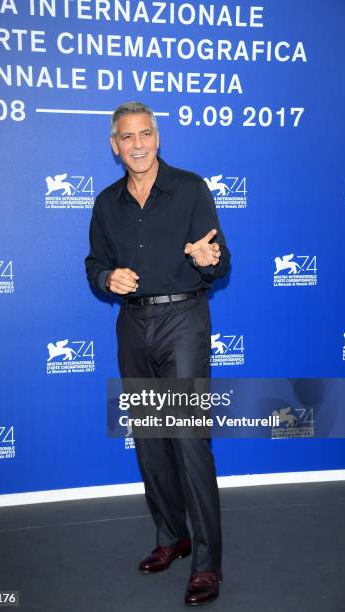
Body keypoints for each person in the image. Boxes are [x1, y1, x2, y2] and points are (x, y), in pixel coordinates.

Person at [85, 101, 230, 606]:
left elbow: (220, 256)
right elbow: (95, 262)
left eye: (145, 133)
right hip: (133, 326)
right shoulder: (106, 204)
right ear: (114, 145)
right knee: (150, 440)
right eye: (127, 137)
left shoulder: (190, 188)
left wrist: (209, 258)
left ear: (157, 138)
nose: (138, 144)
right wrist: (107, 278)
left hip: (184, 322)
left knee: (189, 440)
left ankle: (208, 565)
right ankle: (173, 538)